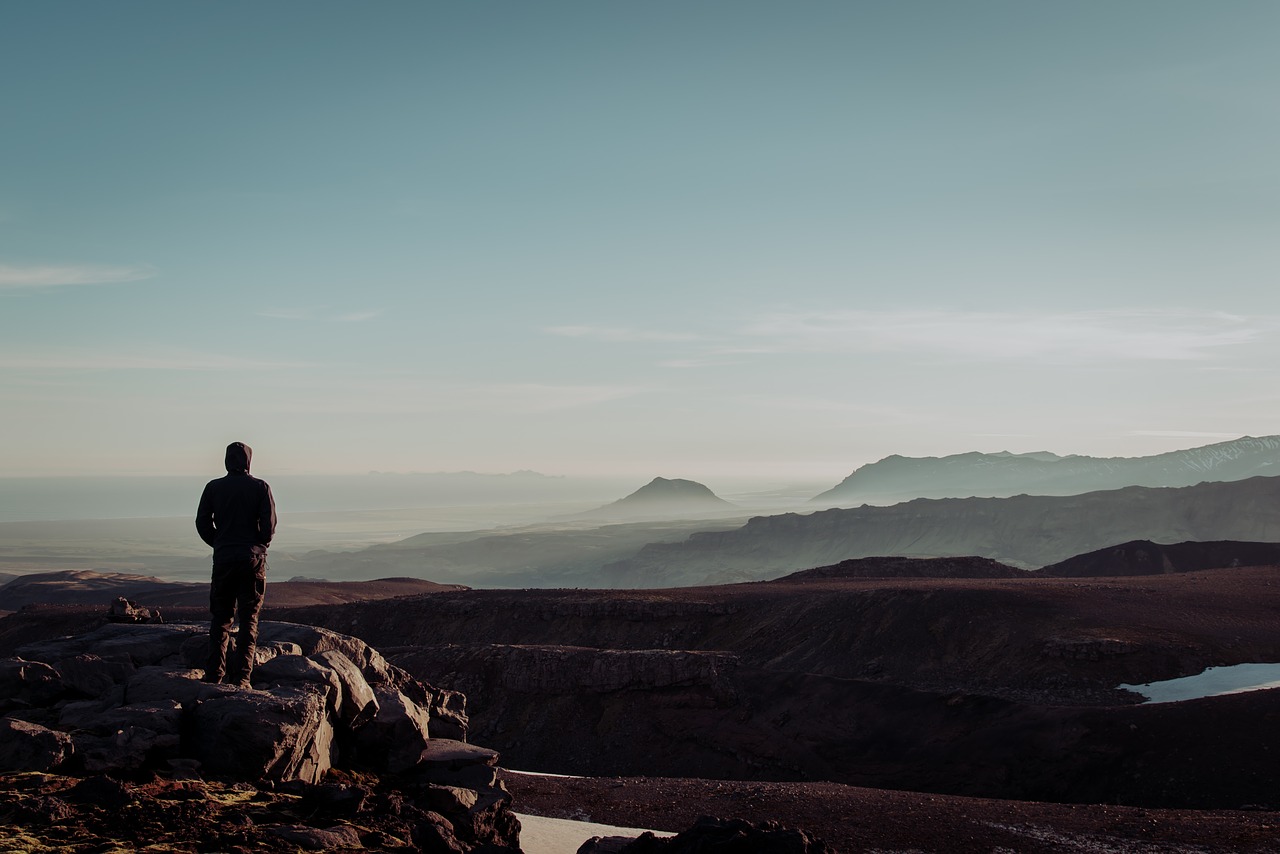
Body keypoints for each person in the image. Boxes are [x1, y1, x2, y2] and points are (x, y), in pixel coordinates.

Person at [195, 441, 277, 688]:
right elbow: (269, 526)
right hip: (252, 560)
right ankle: (242, 678)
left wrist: (219, 543)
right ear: (248, 461)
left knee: (221, 619)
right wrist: (258, 544)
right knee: (249, 618)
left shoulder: (213, 488)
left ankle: (214, 675)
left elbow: (202, 523)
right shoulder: (260, 487)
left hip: (224, 560)